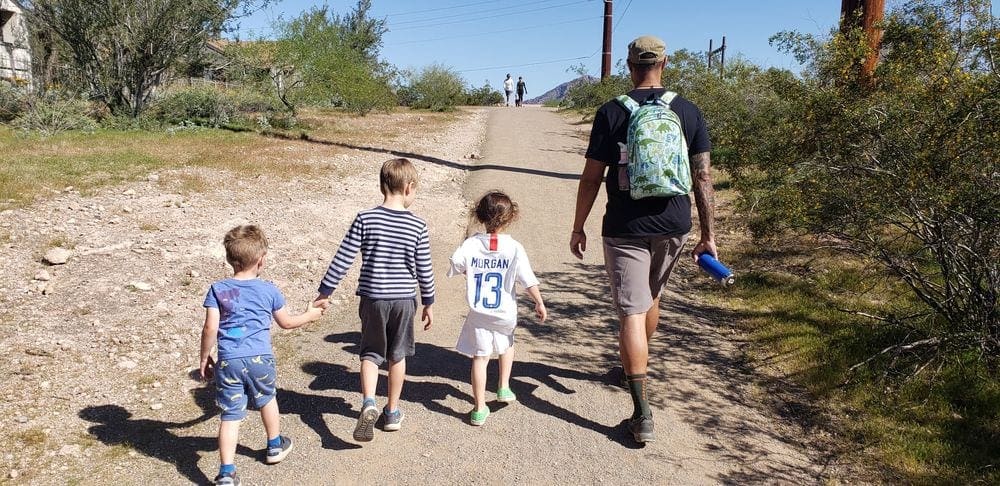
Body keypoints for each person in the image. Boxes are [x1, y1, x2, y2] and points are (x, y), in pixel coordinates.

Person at [569, 35, 716, 444]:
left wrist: (578, 225)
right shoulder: (687, 110)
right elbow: (702, 176)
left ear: (629, 65)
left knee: (631, 313)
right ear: (664, 63)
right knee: (650, 298)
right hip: (673, 223)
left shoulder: (612, 111)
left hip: (625, 225)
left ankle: (642, 413)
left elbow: (591, 177)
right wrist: (708, 235)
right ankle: (633, 366)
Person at [313, 158, 435, 443]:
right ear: (409, 188)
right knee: (397, 355)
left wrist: (325, 292)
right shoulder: (417, 225)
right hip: (404, 299)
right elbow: (425, 267)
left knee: (370, 353)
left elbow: (343, 258)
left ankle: (369, 402)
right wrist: (429, 301)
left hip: (373, 298)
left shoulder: (365, 218)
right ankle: (391, 412)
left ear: (382, 186)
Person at [199, 225, 327, 486]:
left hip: (229, 360)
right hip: (260, 359)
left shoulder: (217, 290)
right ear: (261, 260)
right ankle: (274, 445)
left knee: (230, 415)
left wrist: (204, 356)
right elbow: (287, 323)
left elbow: (210, 327)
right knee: (267, 399)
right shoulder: (268, 290)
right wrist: (311, 315)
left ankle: (226, 472)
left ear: (229, 258)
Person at [448, 191, 547, 426]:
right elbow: (527, 279)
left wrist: (469, 272)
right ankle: (503, 386)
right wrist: (539, 301)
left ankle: (479, 408)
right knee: (507, 346)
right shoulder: (513, 248)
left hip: (479, 313)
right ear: (510, 217)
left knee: (480, 358)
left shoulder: (471, 244)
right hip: (505, 312)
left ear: (480, 215)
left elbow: (455, 263)